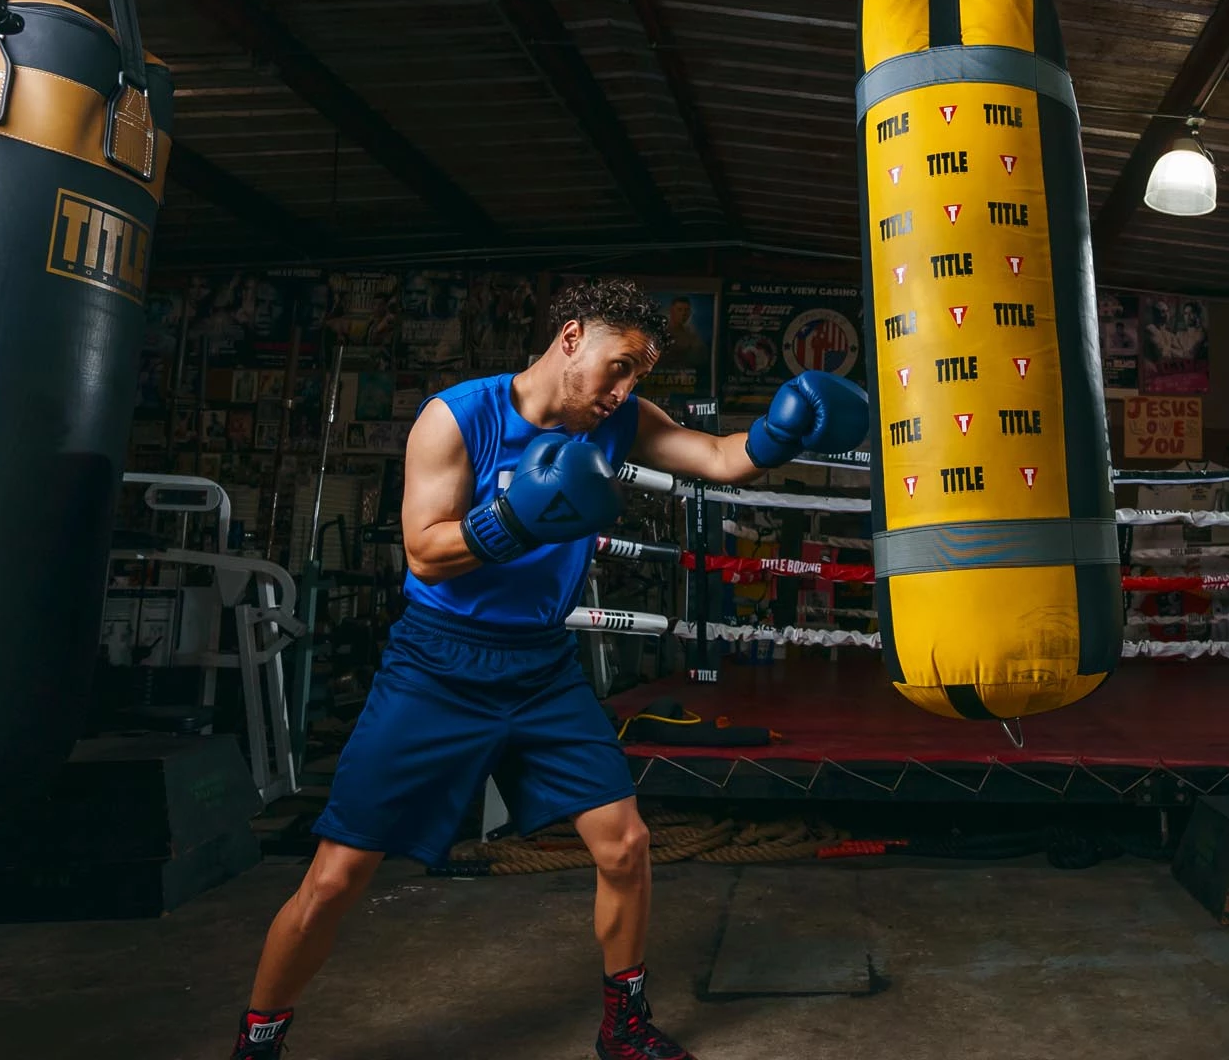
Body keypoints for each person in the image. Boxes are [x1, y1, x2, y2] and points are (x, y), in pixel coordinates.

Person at [230, 278, 869, 1060]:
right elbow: (426, 554)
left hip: (542, 669)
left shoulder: (621, 419)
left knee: (625, 845)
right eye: (620, 367)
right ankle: (258, 1043)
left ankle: (623, 1028)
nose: (626, 390)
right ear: (571, 338)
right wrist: (513, 521)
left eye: (640, 377)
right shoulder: (457, 417)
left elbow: (718, 459)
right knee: (336, 878)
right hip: (436, 667)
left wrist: (780, 431)